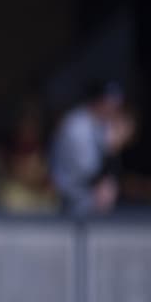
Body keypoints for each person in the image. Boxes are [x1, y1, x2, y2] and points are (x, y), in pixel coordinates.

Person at [50, 80, 134, 215]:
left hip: (87, 197)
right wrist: (113, 148)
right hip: (69, 200)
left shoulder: (101, 124)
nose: (114, 109)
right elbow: (89, 171)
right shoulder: (77, 125)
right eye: (110, 103)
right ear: (98, 101)